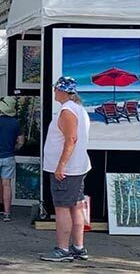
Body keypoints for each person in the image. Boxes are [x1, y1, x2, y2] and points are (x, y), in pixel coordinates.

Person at [41, 77, 91, 262]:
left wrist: (60, 165)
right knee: (76, 206)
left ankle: (62, 249)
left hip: (67, 169)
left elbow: (71, 139)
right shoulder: (79, 110)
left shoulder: (67, 111)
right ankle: (78, 247)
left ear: (62, 91)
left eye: (55, 89)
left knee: (62, 208)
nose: (54, 92)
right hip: (77, 166)